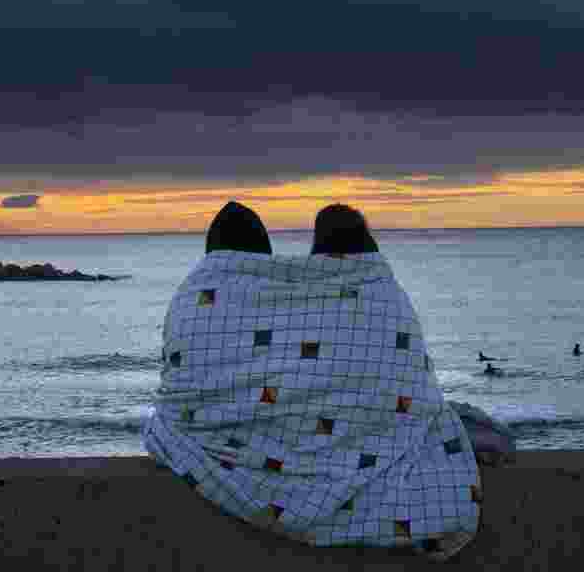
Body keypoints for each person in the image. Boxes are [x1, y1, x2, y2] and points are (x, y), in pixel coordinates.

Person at [143, 202, 489, 561]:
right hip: (367, 454)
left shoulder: (194, 299)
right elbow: (411, 388)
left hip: (226, 460)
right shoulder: (381, 295)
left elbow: (180, 393)